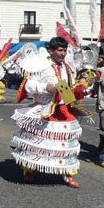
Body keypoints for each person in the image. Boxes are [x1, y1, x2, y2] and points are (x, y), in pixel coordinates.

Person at [11, 37, 86, 189]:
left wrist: (82, 87)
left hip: (62, 108)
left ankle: (68, 174)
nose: (63, 54)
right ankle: (28, 170)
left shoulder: (68, 67)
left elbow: (68, 88)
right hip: (42, 108)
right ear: (51, 51)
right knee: (35, 143)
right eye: (59, 50)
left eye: (65, 50)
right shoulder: (40, 65)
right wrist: (46, 87)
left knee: (65, 144)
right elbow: (28, 86)